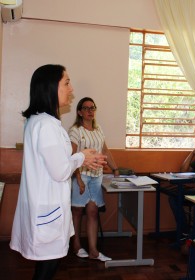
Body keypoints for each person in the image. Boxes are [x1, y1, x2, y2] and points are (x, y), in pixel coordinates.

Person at [9, 64, 107, 280]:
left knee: (46, 268)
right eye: (67, 83)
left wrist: (83, 157)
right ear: (51, 87)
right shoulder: (45, 124)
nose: (71, 89)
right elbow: (60, 170)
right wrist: (82, 157)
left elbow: (58, 163)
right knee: (46, 269)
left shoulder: (40, 121)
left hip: (45, 206)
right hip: (47, 210)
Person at [68, 97, 119, 262]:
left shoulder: (98, 130)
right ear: (79, 112)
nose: (90, 111)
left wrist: (115, 168)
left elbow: (105, 150)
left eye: (93, 108)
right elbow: (72, 156)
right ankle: (76, 245)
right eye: (86, 108)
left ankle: (93, 251)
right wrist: (78, 179)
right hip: (80, 175)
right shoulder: (75, 130)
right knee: (77, 211)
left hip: (96, 177)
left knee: (92, 211)